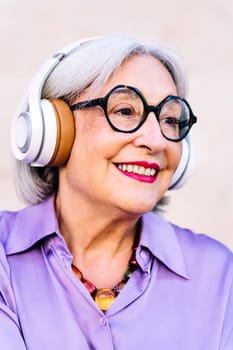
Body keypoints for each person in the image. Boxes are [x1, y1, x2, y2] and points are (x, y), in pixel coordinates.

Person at [1, 34, 232, 350]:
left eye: (169, 120)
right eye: (125, 111)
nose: (157, 141)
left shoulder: (219, 275)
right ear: (53, 129)